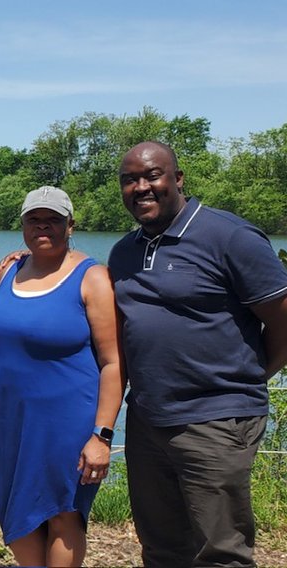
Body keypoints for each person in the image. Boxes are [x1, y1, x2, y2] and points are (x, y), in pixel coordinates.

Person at [110, 141, 287, 567]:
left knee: (220, 552)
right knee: (161, 547)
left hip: (216, 419)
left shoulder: (229, 237)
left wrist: (247, 378)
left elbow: (283, 321)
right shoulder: (124, 252)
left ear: (177, 178)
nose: (141, 187)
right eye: (130, 179)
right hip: (148, 418)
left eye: (152, 175)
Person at [0, 186, 123, 567]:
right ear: (23, 225)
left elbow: (113, 363)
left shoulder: (92, 277)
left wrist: (102, 436)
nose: (43, 227)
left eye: (53, 220)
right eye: (34, 219)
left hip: (65, 423)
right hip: (6, 419)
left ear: (70, 225)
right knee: (11, 504)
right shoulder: (9, 271)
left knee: (62, 511)